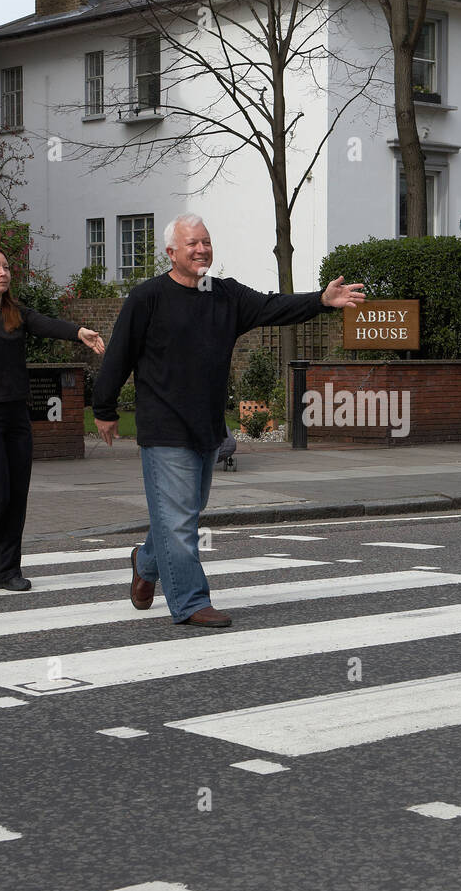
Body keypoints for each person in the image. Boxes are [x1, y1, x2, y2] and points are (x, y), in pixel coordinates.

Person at [91, 213, 365, 628]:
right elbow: (119, 355)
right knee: (180, 519)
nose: (202, 250)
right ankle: (190, 602)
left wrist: (320, 301)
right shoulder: (147, 297)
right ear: (170, 253)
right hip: (163, 427)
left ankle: (145, 563)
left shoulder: (226, 296)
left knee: (185, 511)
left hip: (207, 426)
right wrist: (105, 409)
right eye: (192, 244)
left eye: (206, 242)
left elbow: (273, 306)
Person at [0, 246, 106, 591]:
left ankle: (4, 571)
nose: (3, 272)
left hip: (15, 415)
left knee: (16, 494)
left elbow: (46, 324)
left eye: (6, 267)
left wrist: (78, 332)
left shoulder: (17, 314)